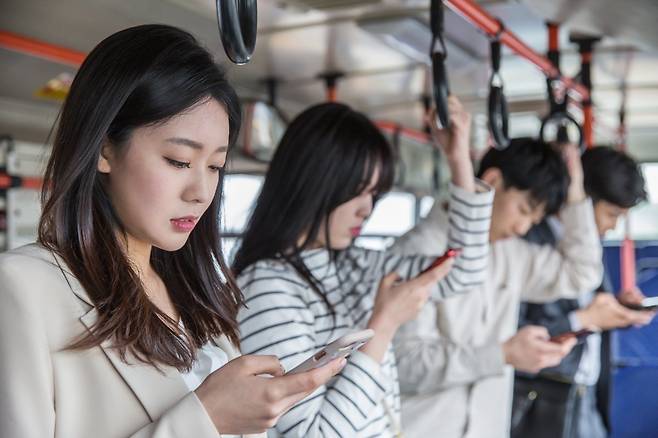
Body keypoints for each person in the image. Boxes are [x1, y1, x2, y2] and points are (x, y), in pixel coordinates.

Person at [0, 24, 345, 438]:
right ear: (105, 148)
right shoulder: (23, 289)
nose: (201, 192)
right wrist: (206, 420)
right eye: (179, 160)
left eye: (215, 167)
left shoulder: (196, 292)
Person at [232, 97, 494, 437]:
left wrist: (458, 160)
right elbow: (313, 434)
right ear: (313, 181)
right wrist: (382, 327)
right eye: (357, 191)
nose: (366, 209)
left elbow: (464, 270)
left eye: (375, 194)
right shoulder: (268, 287)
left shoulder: (354, 263)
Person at [391, 137, 604, 438]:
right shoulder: (417, 251)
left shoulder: (510, 253)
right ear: (492, 180)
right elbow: (404, 364)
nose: (522, 228)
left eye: (534, 220)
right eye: (523, 209)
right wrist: (501, 355)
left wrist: (575, 191)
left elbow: (582, 272)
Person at [512, 146, 655, 438]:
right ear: (580, 198)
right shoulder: (527, 242)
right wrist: (583, 320)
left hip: (586, 400)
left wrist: (615, 309)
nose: (613, 226)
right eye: (611, 213)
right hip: (537, 402)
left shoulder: (589, 248)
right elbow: (512, 335)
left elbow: (584, 309)